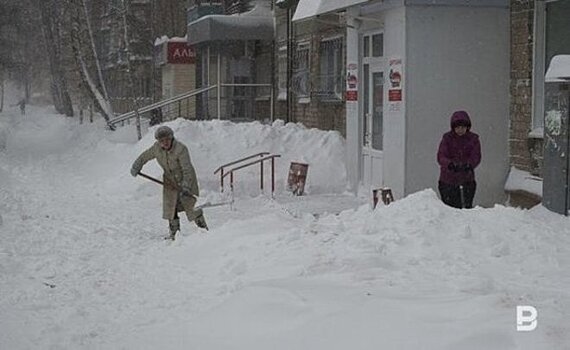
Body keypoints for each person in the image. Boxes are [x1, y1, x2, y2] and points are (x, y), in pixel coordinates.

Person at [130, 125, 208, 240]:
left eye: (167, 139)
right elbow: (145, 156)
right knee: (171, 207)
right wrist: (137, 165)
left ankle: (204, 230)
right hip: (169, 181)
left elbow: (187, 169)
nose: (165, 142)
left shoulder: (181, 149)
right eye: (161, 141)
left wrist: (186, 186)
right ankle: (174, 234)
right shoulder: (156, 148)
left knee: (191, 206)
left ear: (171, 138)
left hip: (186, 179)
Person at [436, 110, 481, 209]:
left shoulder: (473, 139)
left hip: (467, 180)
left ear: (467, 127)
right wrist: (450, 164)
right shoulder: (447, 139)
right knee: (449, 208)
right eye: (458, 127)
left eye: (463, 127)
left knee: (465, 207)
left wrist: (468, 165)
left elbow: (476, 156)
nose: (460, 130)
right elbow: (441, 156)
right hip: (448, 180)